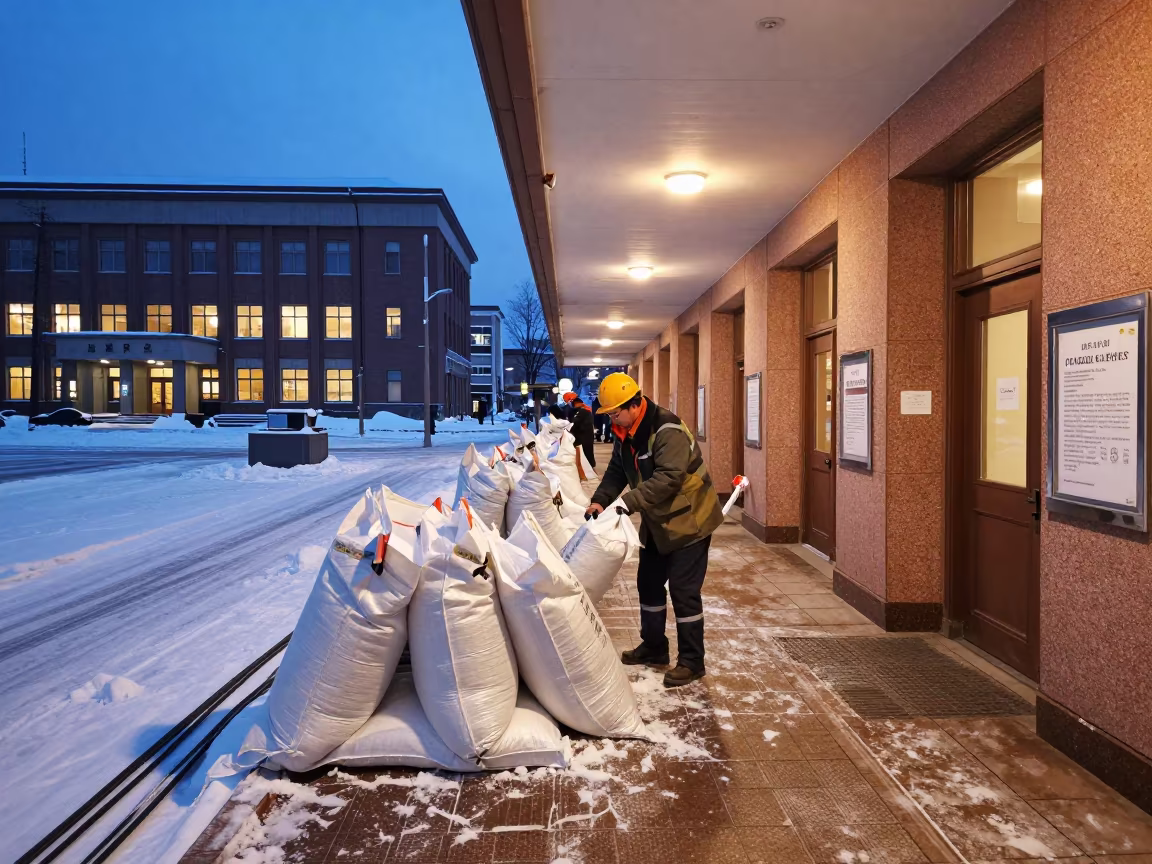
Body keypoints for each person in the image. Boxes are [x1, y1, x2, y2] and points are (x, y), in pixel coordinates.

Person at [585, 373, 723, 687]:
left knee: (684, 592)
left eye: (615, 413)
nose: (612, 419)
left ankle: (692, 661)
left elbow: (668, 478)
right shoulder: (626, 430)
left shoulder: (666, 429)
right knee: (648, 583)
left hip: (690, 519)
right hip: (658, 520)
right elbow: (618, 470)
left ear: (634, 404)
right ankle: (654, 646)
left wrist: (628, 503)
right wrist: (600, 501)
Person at [563, 392, 596, 468]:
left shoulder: (582, 411)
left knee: (585, 452)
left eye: (568, 402)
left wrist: (568, 429)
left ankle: (589, 467)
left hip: (583, 436)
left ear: (572, 401)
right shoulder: (583, 409)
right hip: (584, 435)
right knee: (587, 452)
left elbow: (575, 422)